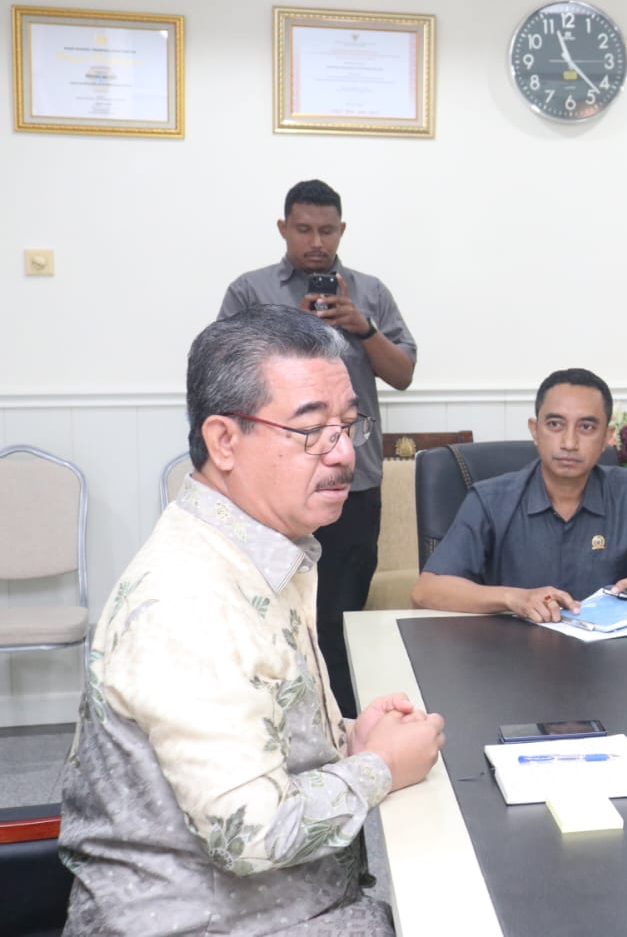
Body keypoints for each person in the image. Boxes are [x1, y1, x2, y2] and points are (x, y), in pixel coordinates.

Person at [58, 306, 444, 937]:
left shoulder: (258, 549)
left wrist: (349, 739)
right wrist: (378, 766)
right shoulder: (187, 600)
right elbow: (252, 833)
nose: (343, 453)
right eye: (311, 430)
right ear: (224, 441)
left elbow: (253, 726)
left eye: (348, 425)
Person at [219, 179, 416, 719]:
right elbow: (224, 378)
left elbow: (403, 373)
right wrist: (297, 332)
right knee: (268, 613)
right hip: (271, 487)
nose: (315, 241)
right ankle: (270, 722)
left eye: (327, 230)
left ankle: (344, 726)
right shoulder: (249, 291)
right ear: (283, 228)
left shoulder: (370, 293)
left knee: (339, 618)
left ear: (342, 230)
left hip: (352, 481)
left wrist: (364, 329)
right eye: (303, 229)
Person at [413, 368, 627, 618]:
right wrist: (513, 598)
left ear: (607, 437)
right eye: (555, 424)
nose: (569, 442)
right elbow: (427, 590)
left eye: (586, 427)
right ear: (535, 430)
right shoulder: (490, 499)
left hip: (606, 655)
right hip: (509, 654)